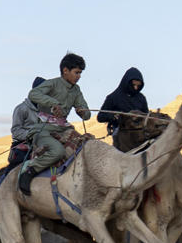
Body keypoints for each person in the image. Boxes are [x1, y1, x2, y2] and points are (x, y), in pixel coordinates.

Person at [17, 54, 92, 194]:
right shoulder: (53, 83)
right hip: (43, 130)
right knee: (58, 151)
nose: (79, 76)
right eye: (76, 72)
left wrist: (82, 112)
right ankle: (28, 172)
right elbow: (33, 94)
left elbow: (87, 115)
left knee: (89, 146)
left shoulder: (76, 90)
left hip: (63, 129)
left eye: (80, 73)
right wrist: (53, 103)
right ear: (65, 71)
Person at [97, 66, 149, 140]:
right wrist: (113, 116)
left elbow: (146, 115)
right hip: (121, 131)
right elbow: (100, 116)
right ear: (127, 82)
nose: (136, 88)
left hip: (139, 132)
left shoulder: (141, 98)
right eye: (133, 85)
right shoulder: (113, 97)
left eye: (138, 85)